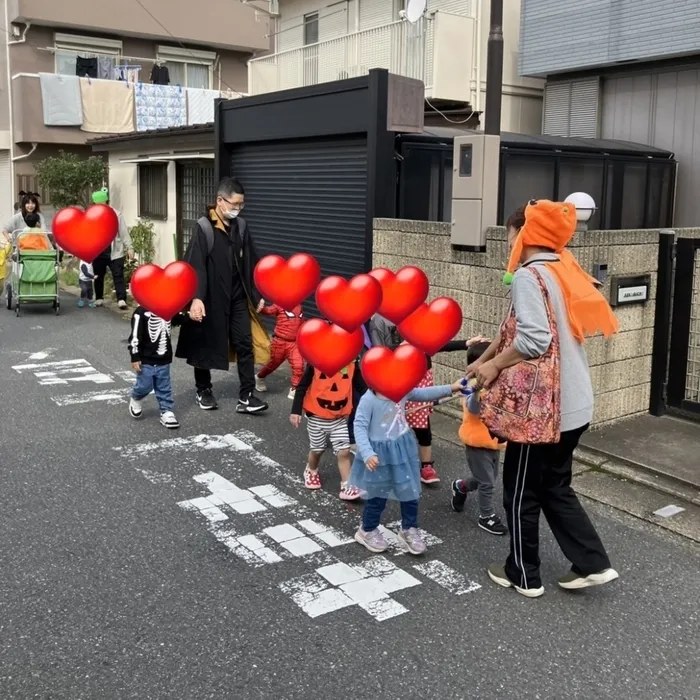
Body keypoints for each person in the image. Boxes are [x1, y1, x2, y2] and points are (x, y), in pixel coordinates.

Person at [468, 200, 620, 598]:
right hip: (575, 405)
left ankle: (522, 573)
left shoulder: (528, 276)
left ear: (524, 234)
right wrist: (482, 361)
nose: (508, 242)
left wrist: (492, 367)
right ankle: (592, 563)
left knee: (520, 491)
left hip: (541, 412)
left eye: (510, 234)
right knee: (555, 485)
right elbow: (510, 330)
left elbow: (534, 340)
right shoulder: (563, 268)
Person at [175, 177, 270, 415]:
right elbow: (195, 265)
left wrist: (257, 293)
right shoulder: (204, 227)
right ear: (220, 201)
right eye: (234, 204)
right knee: (203, 343)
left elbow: (251, 262)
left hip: (237, 297)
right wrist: (196, 297)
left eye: (241, 205)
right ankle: (203, 390)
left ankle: (247, 395)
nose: (237, 209)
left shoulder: (242, 227)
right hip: (210, 297)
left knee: (244, 343)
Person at [351, 376, 466, 555]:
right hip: (378, 455)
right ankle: (367, 529)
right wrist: (367, 453)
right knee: (377, 495)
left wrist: (451, 388)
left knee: (410, 491)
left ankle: (409, 529)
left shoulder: (400, 390)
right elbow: (359, 426)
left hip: (402, 449)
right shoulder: (369, 399)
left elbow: (422, 393)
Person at [369, 313, 470, 484]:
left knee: (422, 424)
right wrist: (400, 348)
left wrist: (466, 343)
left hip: (422, 379)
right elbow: (378, 353)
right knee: (393, 424)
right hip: (397, 378)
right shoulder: (380, 321)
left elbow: (436, 344)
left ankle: (426, 466)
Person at [451, 338, 508, 535]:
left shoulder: (496, 382)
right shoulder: (472, 385)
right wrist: (476, 392)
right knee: (487, 483)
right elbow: (474, 409)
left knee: (487, 478)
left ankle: (460, 486)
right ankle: (486, 516)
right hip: (477, 441)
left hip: (494, 440)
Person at [290, 357, 367, 501]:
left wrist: (377, 401)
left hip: (339, 418)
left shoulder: (351, 363)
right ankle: (311, 470)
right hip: (316, 417)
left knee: (343, 451)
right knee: (317, 449)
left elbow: (362, 387)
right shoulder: (316, 363)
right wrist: (296, 410)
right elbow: (302, 387)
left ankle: (347, 485)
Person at [128, 305, 187, 429]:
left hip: (164, 358)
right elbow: (135, 335)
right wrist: (135, 355)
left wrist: (189, 316)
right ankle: (137, 397)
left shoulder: (167, 308)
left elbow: (177, 318)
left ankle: (166, 411)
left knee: (164, 387)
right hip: (146, 359)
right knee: (144, 386)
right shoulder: (141, 312)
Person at [90, 188, 133, 310]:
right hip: (98, 251)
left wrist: (129, 247)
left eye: (103, 205)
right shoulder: (91, 216)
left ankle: (121, 299)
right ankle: (99, 297)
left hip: (115, 250)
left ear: (107, 203)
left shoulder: (116, 214)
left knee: (118, 275)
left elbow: (123, 232)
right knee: (98, 275)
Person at [255, 302, 304, 399]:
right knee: (272, 364)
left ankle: (295, 389)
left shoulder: (299, 306)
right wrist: (261, 308)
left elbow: (301, 322)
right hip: (279, 342)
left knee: (299, 366)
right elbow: (269, 311)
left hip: (294, 344)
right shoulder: (279, 304)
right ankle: (260, 377)